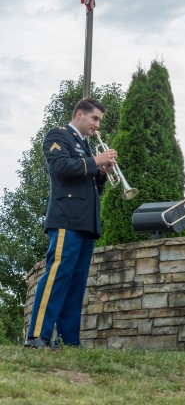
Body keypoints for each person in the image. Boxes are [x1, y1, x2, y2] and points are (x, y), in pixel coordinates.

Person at [24, 98, 117, 349]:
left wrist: (100, 174)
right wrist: (95, 161)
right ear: (79, 114)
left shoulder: (86, 146)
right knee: (57, 276)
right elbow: (60, 167)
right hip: (67, 218)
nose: (97, 125)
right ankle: (37, 336)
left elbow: (92, 186)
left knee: (76, 283)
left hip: (86, 222)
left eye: (99, 120)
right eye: (94, 118)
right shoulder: (59, 135)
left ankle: (68, 341)